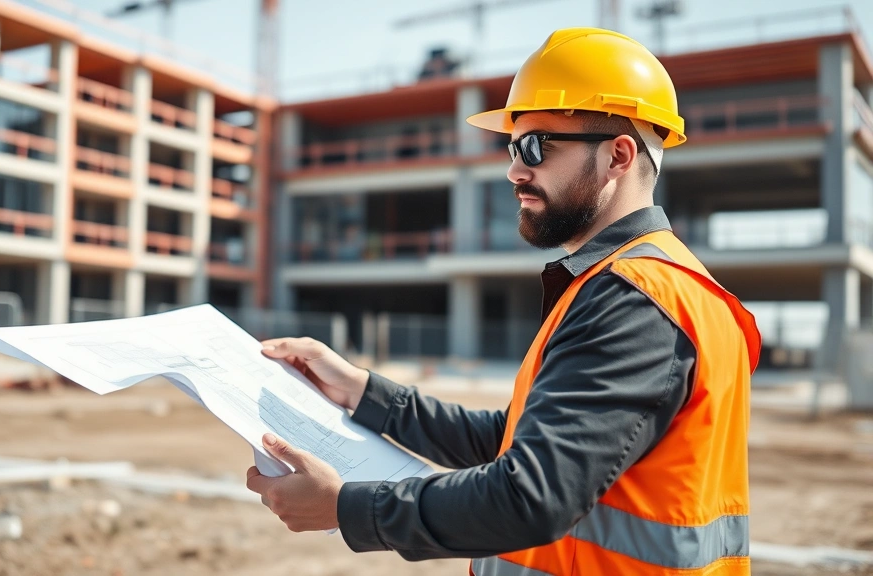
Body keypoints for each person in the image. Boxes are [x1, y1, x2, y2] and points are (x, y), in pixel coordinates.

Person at [245, 27, 761, 575]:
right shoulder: (655, 283)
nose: (515, 170)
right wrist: (362, 391)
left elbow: (531, 497)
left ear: (619, 155)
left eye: (536, 146)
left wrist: (347, 508)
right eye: (512, 148)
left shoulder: (635, 298)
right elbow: (513, 438)